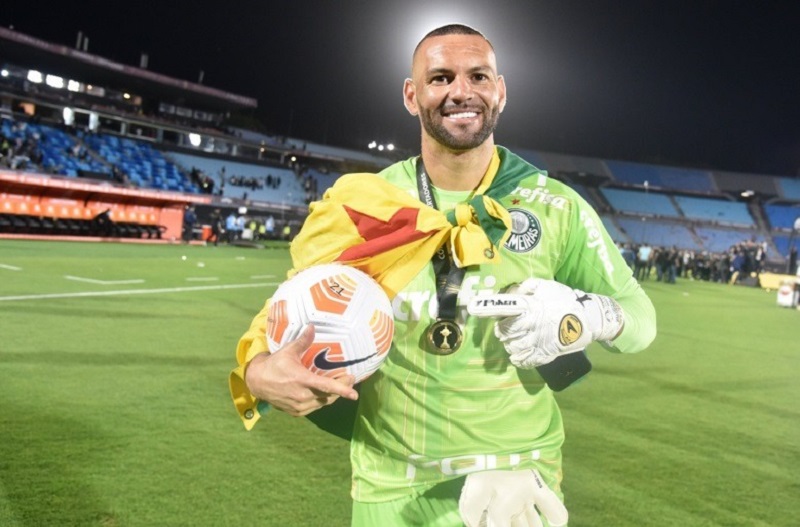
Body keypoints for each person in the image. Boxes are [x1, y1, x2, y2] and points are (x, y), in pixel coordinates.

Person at [230, 24, 656, 527]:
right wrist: (258, 372)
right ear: (412, 95)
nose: (461, 91)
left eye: (478, 75)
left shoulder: (556, 206)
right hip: (392, 483)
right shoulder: (362, 203)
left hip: (517, 480)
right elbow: (283, 312)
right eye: (440, 77)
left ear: (500, 91)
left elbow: (640, 320)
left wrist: (587, 319)